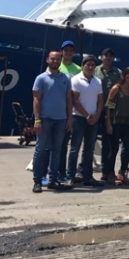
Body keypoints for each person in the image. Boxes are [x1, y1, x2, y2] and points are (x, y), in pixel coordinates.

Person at [31, 50, 73, 193]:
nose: (55, 61)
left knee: (57, 151)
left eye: (57, 59)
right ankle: (37, 180)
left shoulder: (66, 78)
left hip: (61, 119)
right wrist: (37, 119)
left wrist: (69, 118)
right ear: (47, 60)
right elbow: (36, 100)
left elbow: (69, 99)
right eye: (53, 59)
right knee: (40, 149)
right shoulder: (41, 78)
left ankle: (53, 180)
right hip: (45, 119)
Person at [67, 55, 104, 187]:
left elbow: (100, 100)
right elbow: (74, 100)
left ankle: (87, 176)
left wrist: (97, 115)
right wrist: (87, 115)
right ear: (83, 65)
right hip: (79, 118)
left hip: (93, 119)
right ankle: (70, 176)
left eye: (93, 65)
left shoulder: (97, 82)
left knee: (89, 149)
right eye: (88, 64)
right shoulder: (76, 80)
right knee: (74, 149)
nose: (90, 67)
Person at [103, 67, 129, 185]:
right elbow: (108, 105)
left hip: (126, 122)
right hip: (115, 122)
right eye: (128, 74)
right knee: (114, 148)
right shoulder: (116, 88)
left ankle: (122, 171)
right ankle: (109, 173)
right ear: (124, 75)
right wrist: (108, 123)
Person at [95, 48, 122, 182]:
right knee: (90, 142)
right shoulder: (95, 70)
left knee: (108, 143)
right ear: (101, 57)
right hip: (95, 110)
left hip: (110, 111)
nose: (108, 58)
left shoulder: (118, 72)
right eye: (106, 55)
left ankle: (106, 172)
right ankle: (83, 171)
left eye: (111, 56)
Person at [57, 39, 81, 182]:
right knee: (59, 145)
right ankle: (57, 171)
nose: (68, 53)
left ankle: (67, 172)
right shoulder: (56, 67)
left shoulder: (78, 69)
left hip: (73, 112)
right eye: (66, 50)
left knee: (70, 145)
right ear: (62, 52)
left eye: (71, 51)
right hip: (59, 110)